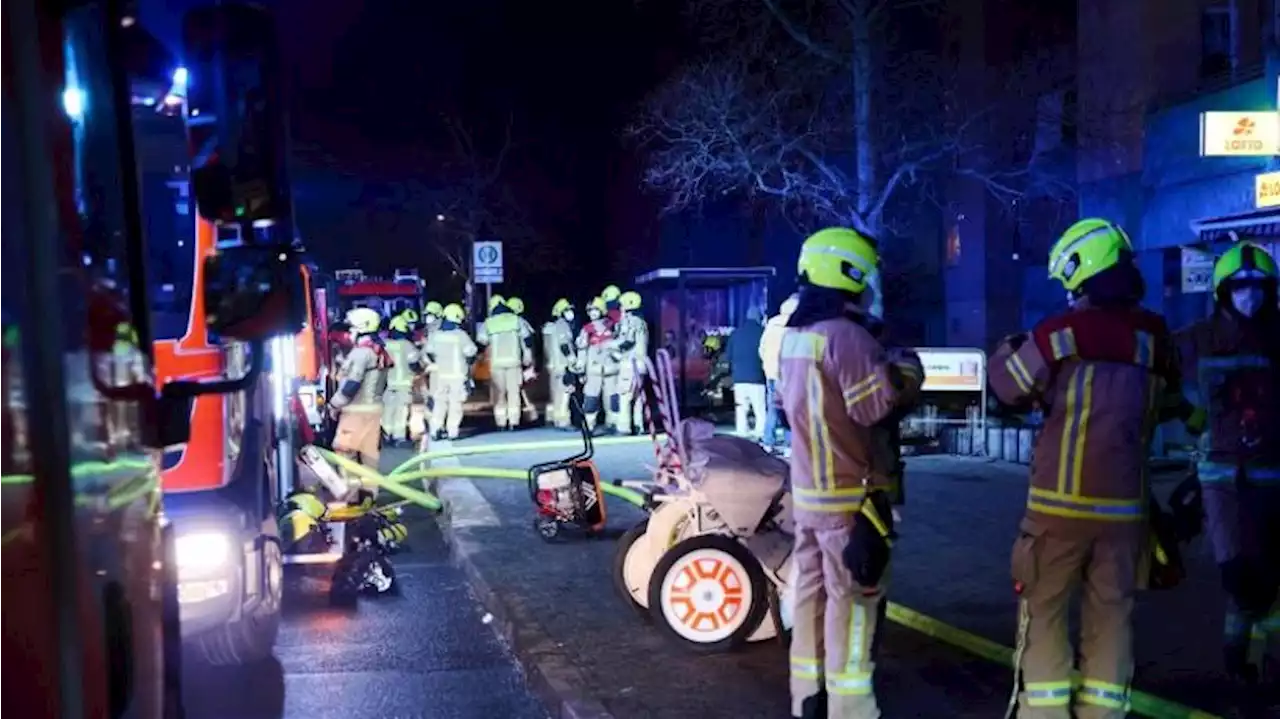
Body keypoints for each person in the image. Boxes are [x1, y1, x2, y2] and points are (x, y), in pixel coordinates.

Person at [988, 218, 1192, 719]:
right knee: (1112, 623)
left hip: (1057, 513)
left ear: (1083, 273)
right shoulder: (1155, 337)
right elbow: (1166, 405)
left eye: (1072, 285)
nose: (1071, 295)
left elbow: (1009, 388)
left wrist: (1006, 351)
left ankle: (1044, 713)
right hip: (1125, 517)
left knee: (1046, 618)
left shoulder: (1061, 333)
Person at [781, 228, 922, 719]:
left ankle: (807, 700)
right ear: (851, 274)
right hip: (852, 500)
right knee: (855, 607)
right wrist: (905, 372)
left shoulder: (795, 337)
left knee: (809, 598)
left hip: (809, 495)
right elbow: (872, 410)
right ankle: (851, 708)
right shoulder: (849, 336)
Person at [1173, 240, 1280, 688]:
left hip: (1273, 476)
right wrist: (1193, 419)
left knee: (1269, 577)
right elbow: (1155, 377)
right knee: (1239, 575)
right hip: (1222, 481)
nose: (1249, 295)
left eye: (1258, 286)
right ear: (1223, 290)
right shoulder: (1198, 338)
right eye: (1240, 287)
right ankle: (1240, 661)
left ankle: (1255, 670)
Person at [329, 307, 391, 495]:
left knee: (345, 453)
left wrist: (334, 404)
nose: (349, 334)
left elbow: (351, 385)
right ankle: (370, 497)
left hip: (355, 413)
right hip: (373, 412)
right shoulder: (379, 350)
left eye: (352, 330)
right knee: (369, 458)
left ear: (361, 328)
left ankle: (352, 496)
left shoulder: (361, 354)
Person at [423, 303, 478, 440]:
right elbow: (471, 352)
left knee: (439, 403)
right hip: (458, 376)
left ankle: (435, 430)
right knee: (455, 405)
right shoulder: (461, 335)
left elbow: (429, 352)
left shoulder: (436, 335)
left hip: (441, 375)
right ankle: (452, 431)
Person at [476, 294, 528, 430]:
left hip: (496, 364)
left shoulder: (489, 322)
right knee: (514, 393)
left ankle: (501, 423)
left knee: (499, 394)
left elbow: (481, 341)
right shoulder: (516, 320)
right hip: (514, 363)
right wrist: (527, 356)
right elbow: (527, 339)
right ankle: (514, 422)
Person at [761, 294, 798, 449]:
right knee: (789, 408)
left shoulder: (771, 325)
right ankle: (790, 443)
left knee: (773, 407)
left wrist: (767, 364)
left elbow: (762, 348)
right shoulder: (794, 325)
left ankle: (768, 439)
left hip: (770, 371)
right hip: (787, 373)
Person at [576, 297, 618, 433]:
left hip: (612, 369)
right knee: (591, 398)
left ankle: (613, 423)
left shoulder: (613, 326)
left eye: (595, 310)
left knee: (612, 398)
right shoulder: (587, 329)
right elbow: (582, 351)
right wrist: (580, 370)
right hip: (593, 370)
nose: (593, 313)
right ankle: (589, 425)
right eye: (590, 310)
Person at [382, 312, 424, 447]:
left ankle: (386, 435)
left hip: (387, 384)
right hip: (404, 384)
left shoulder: (384, 344)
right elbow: (414, 363)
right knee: (401, 411)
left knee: (388, 410)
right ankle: (399, 437)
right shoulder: (406, 345)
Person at [612, 290, 650, 434]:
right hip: (641, 364)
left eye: (621, 305)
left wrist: (611, 346)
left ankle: (624, 427)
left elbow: (628, 341)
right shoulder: (642, 323)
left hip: (629, 363)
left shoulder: (629, 321)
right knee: (638, 397)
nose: (619, 308)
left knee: (625, 396)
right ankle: (639, 425)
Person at [727, 305, 767, 439]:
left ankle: (742, 431)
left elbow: (728, 356)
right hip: (757, 377)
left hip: (739, 378)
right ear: (758, 317)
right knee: (759, 409)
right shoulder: (762, 332)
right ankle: (760, 432)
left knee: (741, 408)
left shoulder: (736, 333)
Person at [542, 298, 578, 429]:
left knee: (555, 394)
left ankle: (554, 419)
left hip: (553, 366)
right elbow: (564, 344)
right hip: (563, 365)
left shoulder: (550, 328)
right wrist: (572, 359)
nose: (570, 313)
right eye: (567, 310)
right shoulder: (562, 325)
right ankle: (564, 421)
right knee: (565, 394)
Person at [506, 296, 540, 424]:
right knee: (521, 390)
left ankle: (522, 416)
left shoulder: (512, 322)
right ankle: (528, 415)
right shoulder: (521, 322)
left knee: (517, 390)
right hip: (520, 361)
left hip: (514, 361)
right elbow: (529, 341)